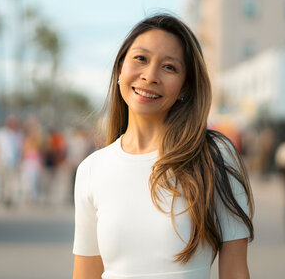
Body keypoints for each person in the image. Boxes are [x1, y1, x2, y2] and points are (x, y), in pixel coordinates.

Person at [72, 14, 254, 279]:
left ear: (185, 87)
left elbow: (235, 271)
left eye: (169, 67)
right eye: (141, 59)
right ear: (120, 68)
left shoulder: (213, 155)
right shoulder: (91, 169)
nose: (150, 76)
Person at [0, 115, 22, 208]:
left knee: (11, 182)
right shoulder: (0, 134)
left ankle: (9, 199)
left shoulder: (17, 135)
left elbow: (19, 149)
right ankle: (1, 197)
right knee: (1, 181)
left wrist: (20, 161)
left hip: (12, 162)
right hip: (1, 161)